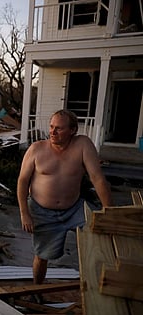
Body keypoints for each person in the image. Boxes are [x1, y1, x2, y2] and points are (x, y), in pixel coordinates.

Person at [17, 109, 112, 288]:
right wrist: (24, 213)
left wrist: (109, 212)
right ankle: (37, 287)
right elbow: (22, 181)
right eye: (51, 127)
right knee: (42, 255)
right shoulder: (36, 149)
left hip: (74, 209)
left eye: (59, 128)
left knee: (100, 237)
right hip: (42, 211)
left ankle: (96, 286)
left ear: (73, 130)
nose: (52, 132)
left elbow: (97, 178)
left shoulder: (82, 145)